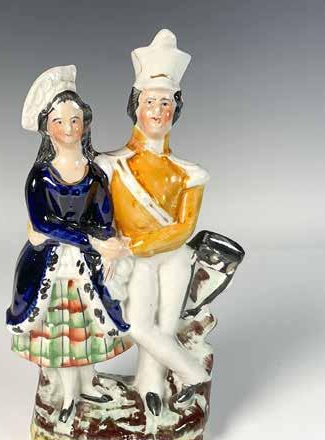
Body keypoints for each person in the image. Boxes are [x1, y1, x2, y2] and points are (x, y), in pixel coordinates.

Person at [6, 65, 132, 423]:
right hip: (51, 266)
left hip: (87, 266)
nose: (68, 128)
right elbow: (43, 224)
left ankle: (87, 383)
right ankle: (68, 395)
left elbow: (104, 215)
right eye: (59, 121)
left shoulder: (94, 174)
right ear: (47, 127)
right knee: (61, 331)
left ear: (85, 124)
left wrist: (109, 241)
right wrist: (92, 240)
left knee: (87, 325)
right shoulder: (40, 177)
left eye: (74, 120)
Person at [95, 30, 211, 416]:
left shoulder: (190, 173)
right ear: (136, 107)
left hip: (173, 256)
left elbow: (184, 228)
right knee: (138, 325)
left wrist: (135, 244)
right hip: (136, 260)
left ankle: (151, 387)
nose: (158, 112)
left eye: (166, 102)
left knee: (164, 327)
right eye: (149, 102)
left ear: (176, 109)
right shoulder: (110, 166)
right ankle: (195, 375)